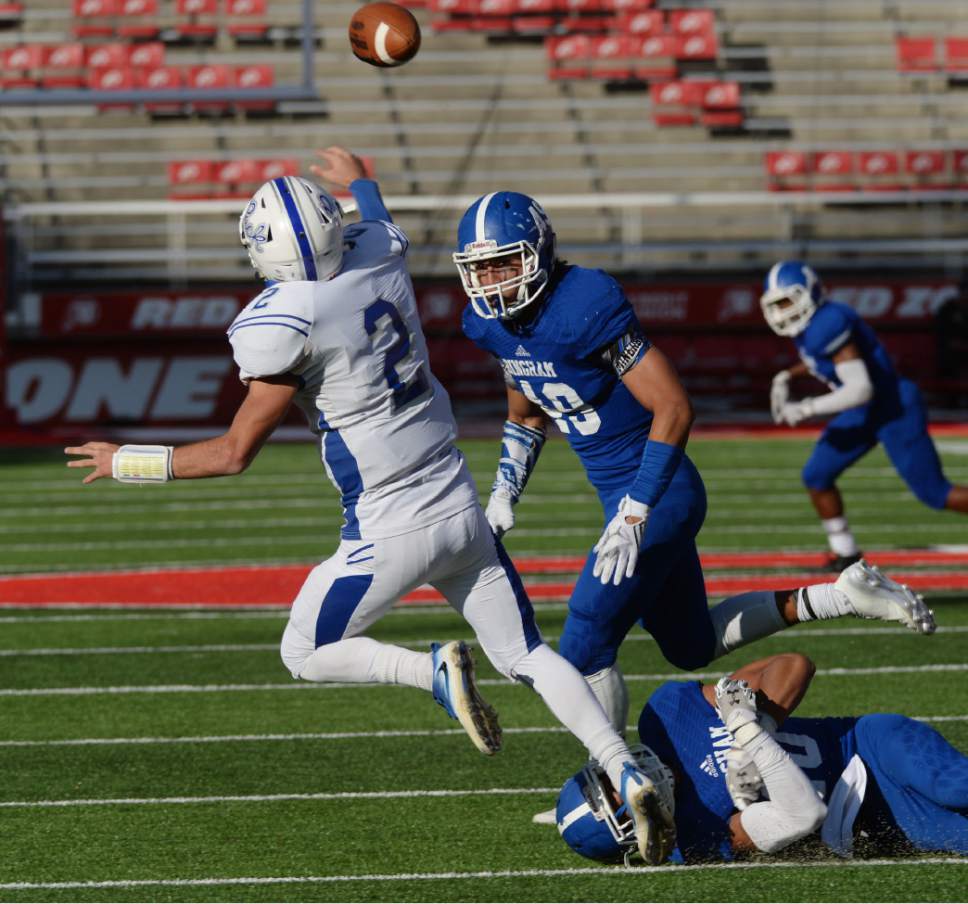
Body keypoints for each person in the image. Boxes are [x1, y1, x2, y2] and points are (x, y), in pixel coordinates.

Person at [64, 149, 675, 865]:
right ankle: (623, 766)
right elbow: (376, 219)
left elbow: (233, 453)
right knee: (530, 656)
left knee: (302, 652)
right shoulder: (380, 253)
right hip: (458, 501)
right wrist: (359, 179)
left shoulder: (279, 320)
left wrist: (124, 463)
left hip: (389, 526)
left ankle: (430, 671)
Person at [453, 192, 936, 807]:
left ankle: (625, 785)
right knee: (689, 645)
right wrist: (504, 491)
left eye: (504, 263)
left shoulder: (584, 304)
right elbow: (525, 411)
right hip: (620, 499)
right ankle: (841, 595)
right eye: (481, 267)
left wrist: (635, 511)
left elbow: (674, 407)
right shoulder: (489, 324)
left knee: (583, 641)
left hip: (659, 493)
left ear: (539, 254)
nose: (492, 281)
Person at [556, 651, 968, 862]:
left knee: (955, 785)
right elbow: (801, 817)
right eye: (624, 804)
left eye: (612, 780)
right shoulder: (693, 838)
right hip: (869, 816)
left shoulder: (667, 714)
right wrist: (749, 737)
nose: (633, 785)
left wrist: (763, 723)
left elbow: (792, 664)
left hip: (866, 744)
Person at [763, 261, 968, 570]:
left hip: (892, 406)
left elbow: (860, 388)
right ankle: (845, 553)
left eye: (787, 301)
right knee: (817, 476)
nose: (782, 311)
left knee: (934, 493)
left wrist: (806, 408)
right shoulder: (810, 326)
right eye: (776, 304)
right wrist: (786, 375)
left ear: (810, 293)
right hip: (864, 410)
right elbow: (821, 361)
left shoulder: (828, 322)